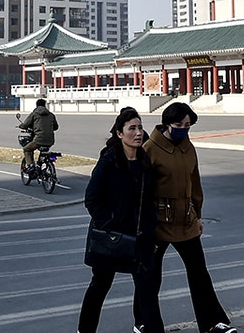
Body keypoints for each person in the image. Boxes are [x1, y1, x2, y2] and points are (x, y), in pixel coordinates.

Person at [142, 102, 235, 333]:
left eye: (188, 125)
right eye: (179, 125)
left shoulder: (187, 146)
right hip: (159, 223)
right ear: (166, 123)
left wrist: (198, 215)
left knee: (199, 274)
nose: (184, 129)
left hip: (186, 221)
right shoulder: (149, 149)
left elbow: (195, 182)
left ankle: (212, 323)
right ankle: (145, 324)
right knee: (150, 278)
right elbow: (142, 191)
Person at [78, 106, 162, 333]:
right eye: (132, 128)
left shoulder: (144, 162)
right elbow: (92, 199)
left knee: (147, 288)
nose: (138, 133)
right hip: (111, 238)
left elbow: (149, 200)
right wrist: (110, 227)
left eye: (140, 128)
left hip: (140, 237)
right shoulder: (109, 161)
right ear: (119, 133)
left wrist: (151, 229)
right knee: (100, 286)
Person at [19, 98, 58, 175]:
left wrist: (21, 126)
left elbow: (26, 124)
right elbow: (56, 127)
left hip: (39, 139)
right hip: (50, 140)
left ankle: (30, 166)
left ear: (37, 105)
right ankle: (41, 167)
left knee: (27, 149)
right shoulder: (51, 115)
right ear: (45, 105)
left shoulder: (34, 114)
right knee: (43, 153)